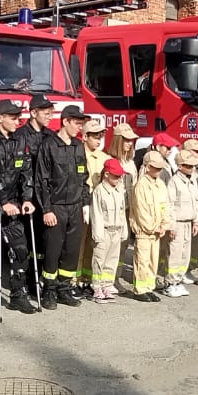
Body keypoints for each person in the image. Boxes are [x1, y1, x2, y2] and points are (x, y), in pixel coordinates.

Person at [0, 100, 39, 315]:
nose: (17, 121)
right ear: (0, 117)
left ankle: (18, 294)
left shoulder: (20, 139)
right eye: (12, 117)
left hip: (14, 201)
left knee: (20, 248)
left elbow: (26, 172)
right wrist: (4, 202)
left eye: (18, 117)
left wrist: (27, 198)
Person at [34, 105, 91, 309]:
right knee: (53, 250)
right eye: (77, 123)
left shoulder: (77, 146)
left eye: (81, 124)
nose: (79, 127)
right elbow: (41, 181)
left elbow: (83, 177)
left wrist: (85, 203)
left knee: (71, 251)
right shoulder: (48, 145)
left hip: (75, 206)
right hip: (56, 207)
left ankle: (64, 289)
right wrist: (46, 209)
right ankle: (49, 290)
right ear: (65, 121)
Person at [127, 151, 172, 302]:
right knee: (142, 260)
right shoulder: (141, 186)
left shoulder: (160, 184)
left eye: (160, 168)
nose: (159, 171)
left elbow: (165, 205)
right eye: (156, 168)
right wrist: (153, 227)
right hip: (144, 231)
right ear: (147, 167)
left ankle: (149, 287)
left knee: (153, 260)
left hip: (157, 231)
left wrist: (165, 224)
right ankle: (139, 290)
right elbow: (141, 211)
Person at [74, 119, 111, 298]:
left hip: (99, 207)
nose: (99, 140)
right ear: (85, 136)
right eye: (95, 136)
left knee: (92, 243)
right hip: (81, 204)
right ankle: (74, 279)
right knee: (78, 244)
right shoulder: (76, 154)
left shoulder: (104, 158)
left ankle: (87, 279)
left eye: (101, 136)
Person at [163, 150, 198, 297]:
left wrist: (196, 221)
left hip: (188, 222)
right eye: (188, 166)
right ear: (180, 166)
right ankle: (170, 283)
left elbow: (196, 202)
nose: (192, 168)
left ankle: (178, 280)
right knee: (175, 254)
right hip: (178, 223)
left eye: (193, 166)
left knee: (185, 254)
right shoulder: (174, 182)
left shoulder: (192, 181)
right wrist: (171, 225)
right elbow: (170, 205)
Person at [89, 159, 129, 303]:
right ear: (106, 174)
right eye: (116, 176)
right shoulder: (99, 191)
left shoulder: (119, 191)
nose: (118, 179)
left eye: (120, 176)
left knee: (112, 260)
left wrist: (124, 230)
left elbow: (122, 212)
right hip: (104, 231)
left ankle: (107, 284)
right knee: (99, 259)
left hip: (116, 230)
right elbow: (97, 214)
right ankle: (97, 287)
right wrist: (97, 234)